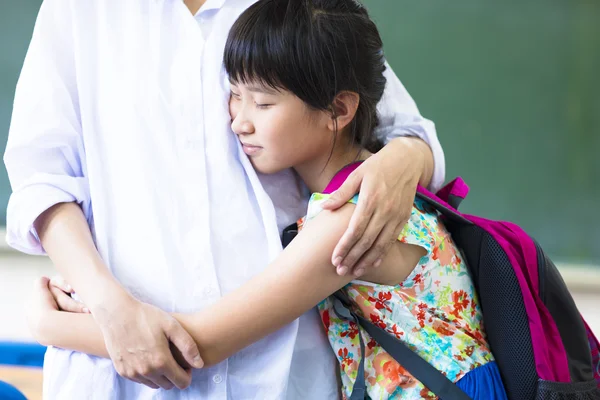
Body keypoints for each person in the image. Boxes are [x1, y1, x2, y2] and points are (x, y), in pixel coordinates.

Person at [26, 0, 508, 399]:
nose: (238, 121)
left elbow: (202, 343)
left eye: (263, 102)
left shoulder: (347, 218)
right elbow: (40, 173)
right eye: (233, 96)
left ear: (338, 109)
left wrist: (47, 326)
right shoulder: (77, 13)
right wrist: (107, 307)